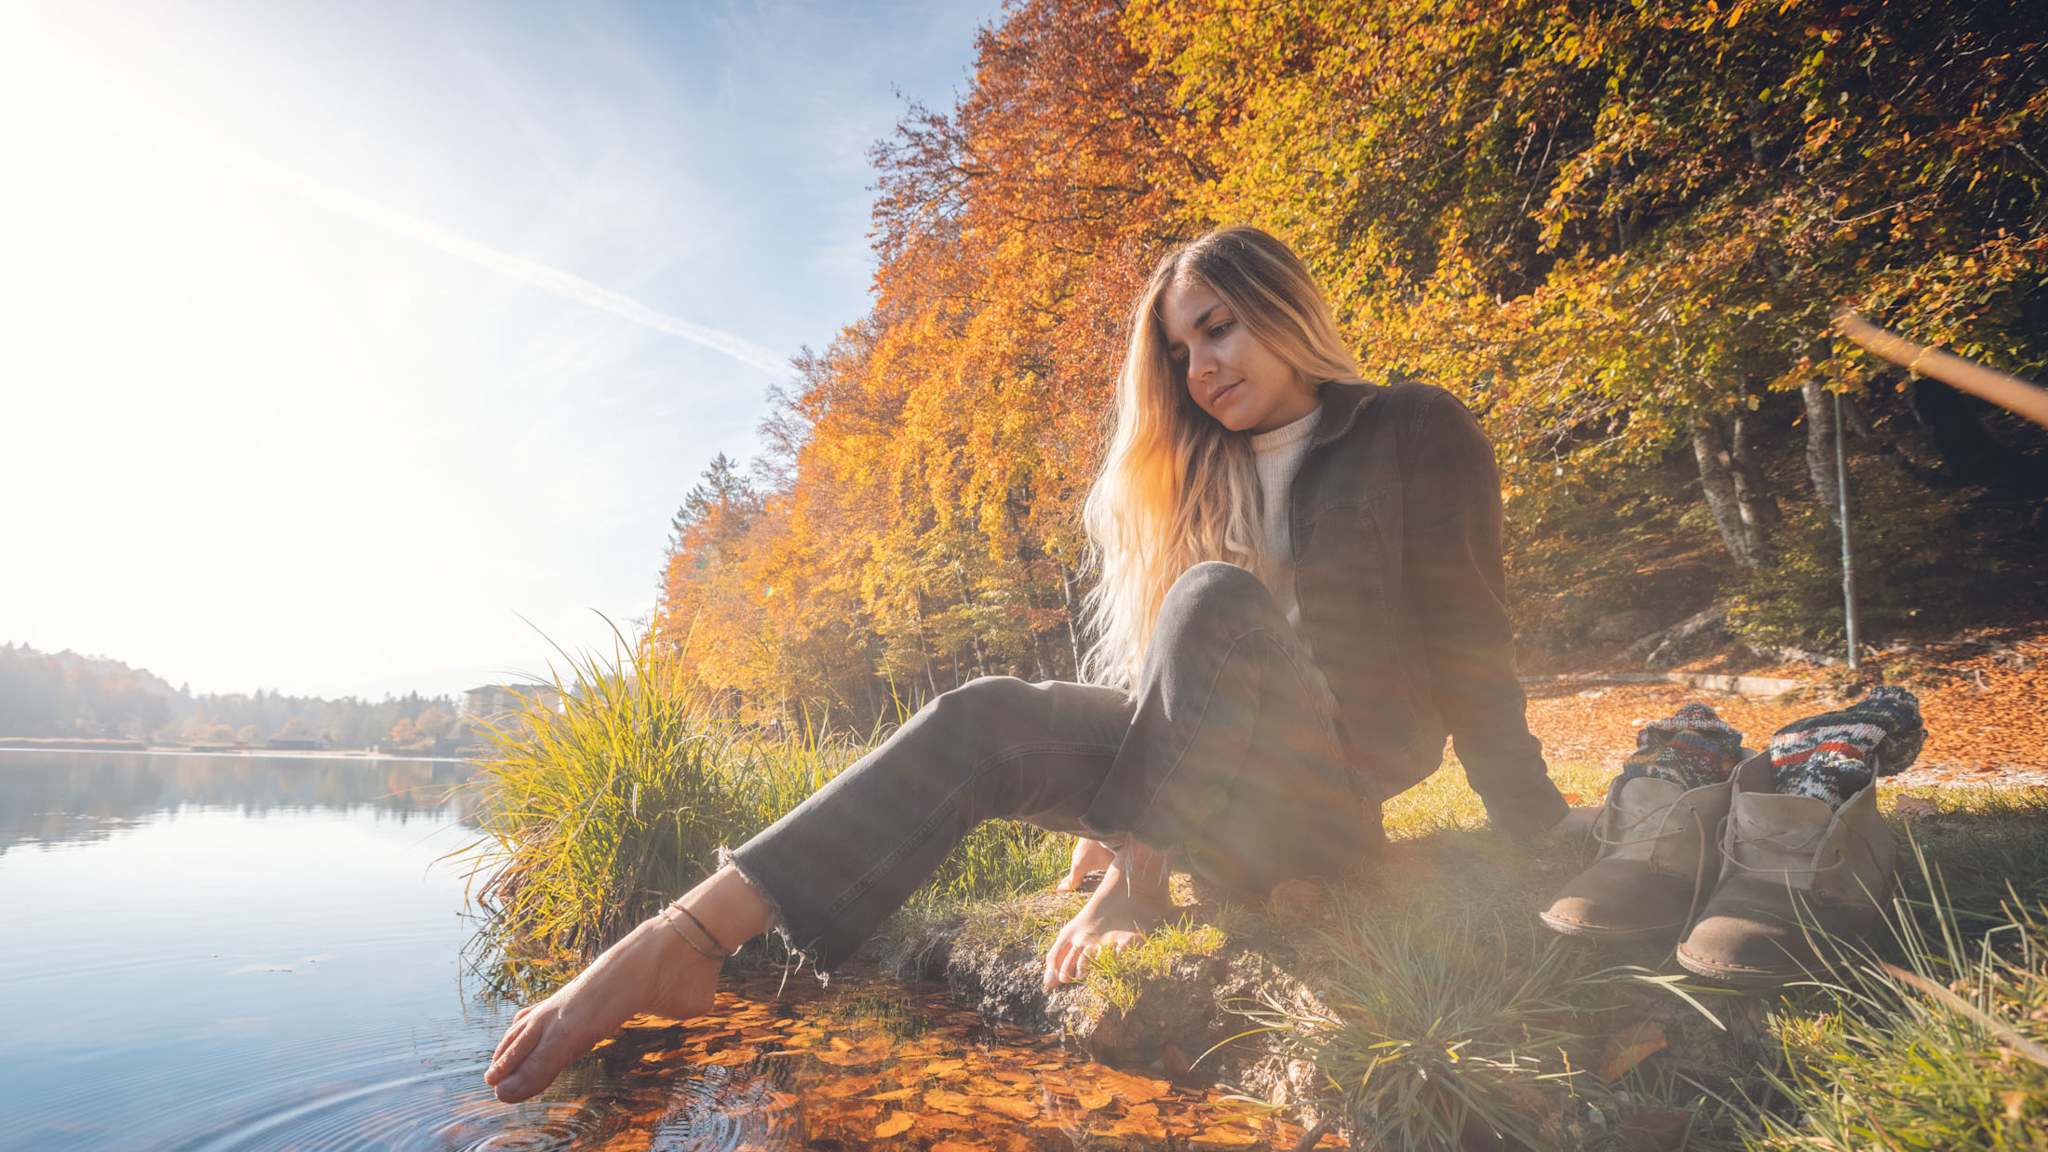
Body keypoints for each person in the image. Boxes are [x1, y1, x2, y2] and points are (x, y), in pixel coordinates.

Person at [485, 224, 1569, 1104]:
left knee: (1208, 595)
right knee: (988, 713)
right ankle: (680, 938)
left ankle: (1142, 886)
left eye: (1218, 328)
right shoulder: (1208, 471)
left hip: (1325, 798)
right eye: (1178, 352)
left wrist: (1535, 827)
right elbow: (1179, 677)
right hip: (1214, 788)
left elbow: (1471, 643)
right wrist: (1129, 793)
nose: (1199, 368)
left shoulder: (1410, 428)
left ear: (1284, 308)